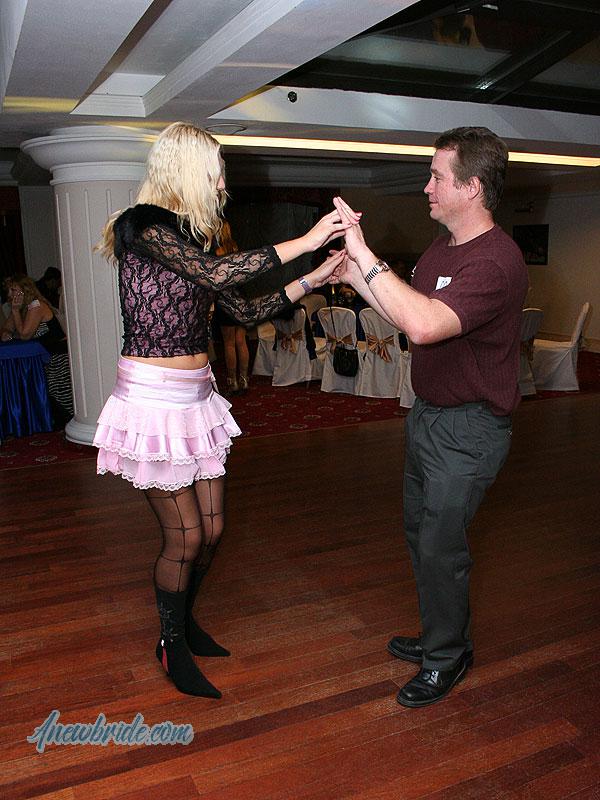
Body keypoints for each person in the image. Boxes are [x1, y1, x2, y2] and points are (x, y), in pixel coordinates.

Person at [93, 121, 355, 700]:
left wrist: (315, 276)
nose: (222, 184)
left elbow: (242, 309)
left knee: (212, 529)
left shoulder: (195, 243)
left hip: (196, 396)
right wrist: (307, 240)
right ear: (187, 169)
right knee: (185, 536)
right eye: (215, 172)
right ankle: (170, 643)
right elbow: (216, 275)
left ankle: (182, 620)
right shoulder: (143, 226)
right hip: (153, 398)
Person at [330, 126, 528, 708]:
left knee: (442, 546)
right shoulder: (442, 250)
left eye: (437, 177)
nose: (427, 187)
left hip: (470, 428)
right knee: (421, 535)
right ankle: (441, 632)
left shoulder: (496, 261)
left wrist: (365, 254)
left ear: (472, 186)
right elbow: (407, 314)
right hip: (429, 417)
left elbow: (423, 325)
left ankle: (447, 657)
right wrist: (357, 278)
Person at [1, 275, 73, 428]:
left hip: (58, 357)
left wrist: (15, 311)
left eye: (13, 290)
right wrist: (7, 332)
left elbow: (25, 335)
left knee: (60, 395)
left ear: (25, 290)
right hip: (45, 357)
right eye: (9, 291)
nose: (10, 294)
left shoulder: (36, 305)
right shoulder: (24, 308)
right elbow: (6, 328)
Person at [211, 221, 251, 395]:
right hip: (241, 298)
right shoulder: (237, 251)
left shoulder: (217, 253)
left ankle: (232, 381)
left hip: (225, 300)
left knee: (229, 343)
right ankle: (244, 379)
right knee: (241, 341)